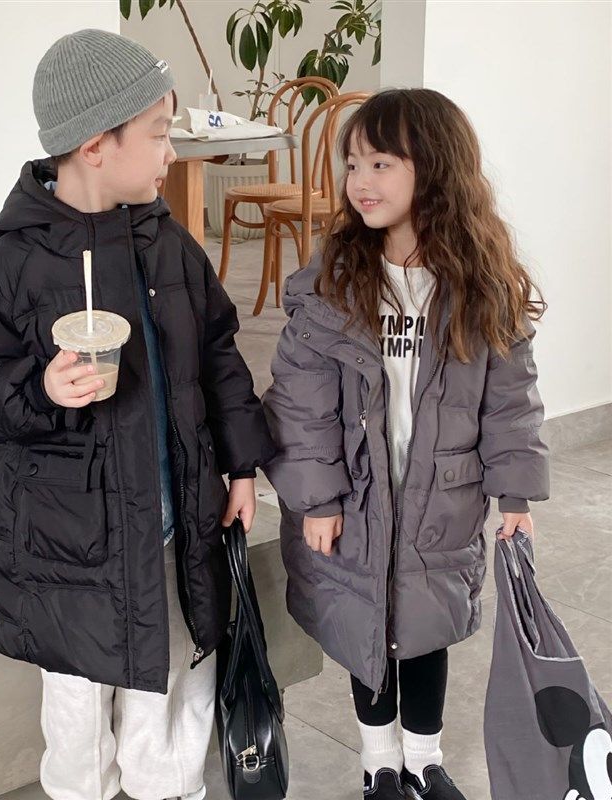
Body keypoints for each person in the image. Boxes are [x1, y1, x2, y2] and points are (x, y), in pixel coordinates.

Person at [0, 29, 274, 800]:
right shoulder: (13, 268)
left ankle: (170, 788)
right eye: (157, 134)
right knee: (79, 714)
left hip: (175, 527)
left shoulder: (171, 248)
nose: (171, 154)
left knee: (175, 692)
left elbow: (219, 353)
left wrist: (241, 464)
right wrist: (42, 390)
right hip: (72, 548)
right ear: (95, 145)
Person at [261, 88, 550, 800]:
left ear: (436, 169)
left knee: (425, 626)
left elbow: (510, 400)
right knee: (366, 627)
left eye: (381, 163)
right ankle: (378, 764)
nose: (360, 181)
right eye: (353, 164)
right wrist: (317, 499)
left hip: (440, 499)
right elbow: (299, 401)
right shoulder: (332, 283)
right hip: (355, 498)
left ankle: (423, 761)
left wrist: (515, 492)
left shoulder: (480, 286)